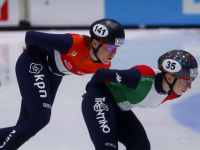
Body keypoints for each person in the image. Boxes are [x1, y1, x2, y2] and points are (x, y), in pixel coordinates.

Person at [0, 18, 125, 150]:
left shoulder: (104, 65)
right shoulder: (72, 43)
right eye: (111, 47)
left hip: (54, 76)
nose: (114, 52)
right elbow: (30, 36)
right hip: (35, 63)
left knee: (25, 127)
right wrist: (30, 54)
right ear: (94, 43)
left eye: (117, 48)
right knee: (40, 118)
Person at [82, 50, 198, 150]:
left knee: (140, 146)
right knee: (108, 146)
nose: (189, 87)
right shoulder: (141, 76)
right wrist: (90, 93)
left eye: (191, 81)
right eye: (185, 81)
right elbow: (102, 74)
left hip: (121, 109)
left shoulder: (175, 93)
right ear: (169, 77)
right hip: (99, 98)